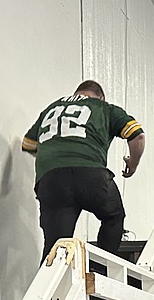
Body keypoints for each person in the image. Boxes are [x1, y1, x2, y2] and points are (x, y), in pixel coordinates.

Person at [22, 80, 146, 260]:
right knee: (113, 216)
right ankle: (103, 267)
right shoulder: (105, 108)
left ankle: (50, 284)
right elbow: (137, 136)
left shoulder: (52, 108)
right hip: (91, 175)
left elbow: (28, 144)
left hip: (51, 181)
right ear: (101, 97)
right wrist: (132, 164)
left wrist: (54, 156)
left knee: (55, 248)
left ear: (77, 93)